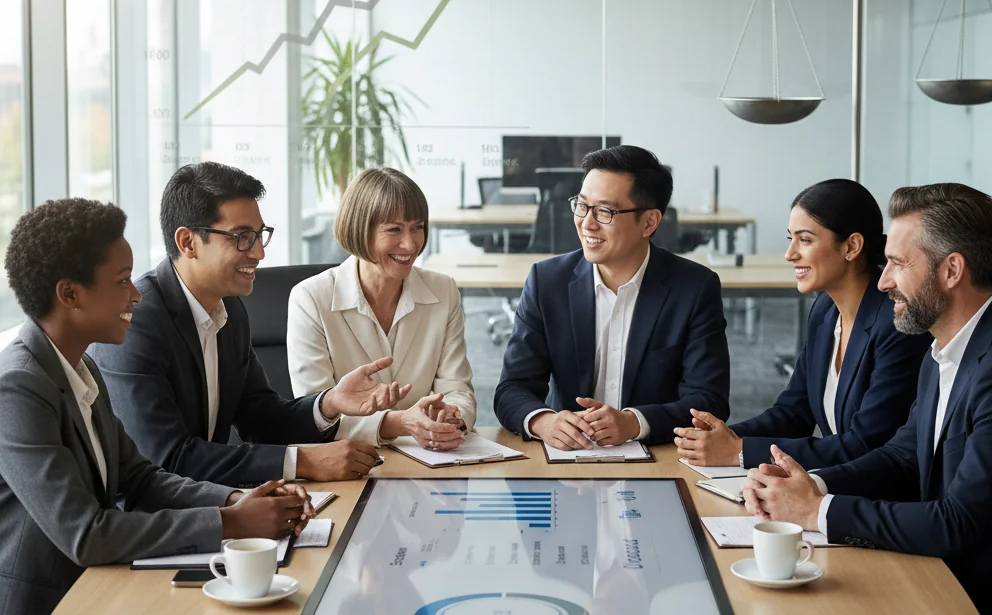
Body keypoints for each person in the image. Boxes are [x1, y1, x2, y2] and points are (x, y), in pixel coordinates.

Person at [0, 199, 313, 615]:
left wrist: (236, 499)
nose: (137, 295)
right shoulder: (17, 387)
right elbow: (87, 534)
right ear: (70, 294)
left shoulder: (81, 368)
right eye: (121, 280)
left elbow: (140, 478)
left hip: (101, 594)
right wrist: (230, 520)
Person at [740, 183, 992, 615]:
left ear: (951, 270)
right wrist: (810, 485)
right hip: (937, 587)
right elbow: (900, 455)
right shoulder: (944, 350)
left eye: (896, 263)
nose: (885, 280)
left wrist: (818, 510)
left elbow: (958, 523)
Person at [90, 163, 410, 487]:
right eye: (242, 237)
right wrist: (303, 462)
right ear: (188, 243)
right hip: (144, 522)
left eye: (259, 236)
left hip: (205, 505)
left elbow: (260, 417)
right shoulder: (137, 321)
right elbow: (168, 459)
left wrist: (328, 403)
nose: (258, 252)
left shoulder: (229, 310)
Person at [675, 179, 930, 470]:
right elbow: (794, 411)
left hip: (876, 497)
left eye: (805, 240)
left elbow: (866, 444)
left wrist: (740, 451)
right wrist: (727, 436)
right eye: (790, 239)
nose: (790, 254)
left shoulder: (895, 324)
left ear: (852, 246)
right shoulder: (824, 309)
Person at [494, 145, 730, 448]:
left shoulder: (694, 289)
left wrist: (634, 423)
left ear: (649, 222)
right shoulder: (547, 281)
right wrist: (543, 421)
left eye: (605, 211)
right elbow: (512, 387)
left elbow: (709, 401)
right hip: (568, 457)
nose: (587, 223)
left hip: (656, 454)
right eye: (581, 206)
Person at [287, 167, 475, 451]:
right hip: (348, 461)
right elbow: (316, 415)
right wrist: (400, 423)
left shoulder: (443, 290)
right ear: (360, 230)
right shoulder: (311, 298)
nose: (410, 243)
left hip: (429, 460)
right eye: (394, 229)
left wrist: (451, 415)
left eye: (417, 227)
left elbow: (457, 386)